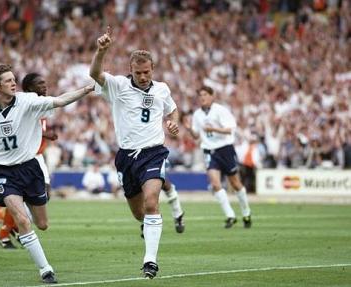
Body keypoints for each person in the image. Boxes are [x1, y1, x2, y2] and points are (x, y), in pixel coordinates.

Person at [0, 63, 94, 283]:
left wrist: (85, 90)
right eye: (8, 80)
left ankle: (20, 214)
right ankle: (45, 270)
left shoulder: (28, 101)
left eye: (13, 79)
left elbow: (60, 100)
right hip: (3, 172)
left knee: (42, 224)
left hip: (30, 168)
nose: (14, 82)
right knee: (23, 220)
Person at [90, 26, 179, 279]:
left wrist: (173, 122)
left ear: (153, 69)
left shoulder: (162, 88)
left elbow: (172, 110)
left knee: (152, 202)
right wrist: (101, 51)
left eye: (147, 72)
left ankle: (150, 261)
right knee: (140, 212)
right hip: (127, 156)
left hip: (153, 152)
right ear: (130, 70)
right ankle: (147, 226)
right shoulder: (117, 86)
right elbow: (95, 73)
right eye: (138, 72)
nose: (142, 76)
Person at [0, 72, 60, 250]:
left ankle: (14, 227)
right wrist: (46, 134)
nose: (44, 86)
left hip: (38, 157)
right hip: (27, 159)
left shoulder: (42, 104)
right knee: (27, 198)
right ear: (30, 88)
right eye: (40, 83)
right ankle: (6, 231)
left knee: (40, 197)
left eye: (45, 82)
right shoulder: (26, 104)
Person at [184, 86, 252, 229]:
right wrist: (190, 129)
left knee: (235, 183)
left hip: (225, 149)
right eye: (200, 95)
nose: (202, 97)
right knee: (215, 184)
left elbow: (230, 129)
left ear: (212, 96)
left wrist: (213, 129)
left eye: (205, 94)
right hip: (209, 150)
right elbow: (197, 136)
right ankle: (230, 215)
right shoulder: (197, 114)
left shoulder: (220, 110)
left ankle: (246, 212)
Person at [161, 159, 185, 233]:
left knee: (161, 180)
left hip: (151, 152)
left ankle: (177, 213)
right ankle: (145, 219)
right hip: (130, 153)